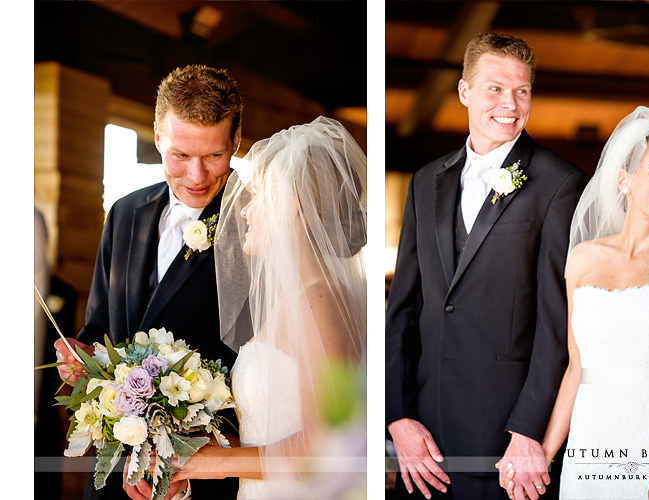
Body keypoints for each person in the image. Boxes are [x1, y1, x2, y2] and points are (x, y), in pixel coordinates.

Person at [385, 32, 588, 500]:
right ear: (464, 92)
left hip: (506, 439)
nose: (510, 104)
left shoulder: (560, 185)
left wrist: (528, 431)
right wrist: (397, 416)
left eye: (522, 90)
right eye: (495, 88)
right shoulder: (424, 182)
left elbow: (558, 321)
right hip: (423, 440)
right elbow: (403, 308)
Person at [500, 104, 649, 499]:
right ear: (623, 180)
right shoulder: (583, 257)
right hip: (589, 439)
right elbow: (575, 368)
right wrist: (545, 453)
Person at [145, 116, 366, 499]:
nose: (245, 211)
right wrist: (189, 455)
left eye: (258, 196)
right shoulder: (294, 299)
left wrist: (212, 464)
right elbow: (269, 437)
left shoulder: (318, 305)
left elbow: (327, 447)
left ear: (291, 206)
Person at [54, 64, 243, 500]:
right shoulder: (124, 212)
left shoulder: (257, 224)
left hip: (200, 476)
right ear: (157, 136)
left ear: (235, 140)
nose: (197, 177)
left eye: (214, 155)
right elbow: (98, 329)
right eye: (180, 155)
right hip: (114, 469)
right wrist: (79, 354)